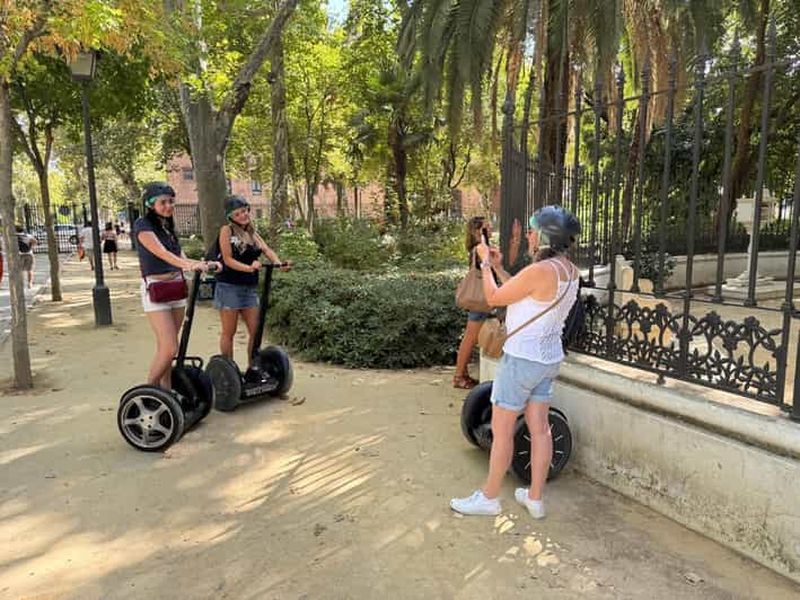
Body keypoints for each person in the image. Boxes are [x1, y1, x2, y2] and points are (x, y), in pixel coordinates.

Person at [450, 205, 581, 520]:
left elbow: (495, 298)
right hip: (548, 360)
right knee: (540, 429)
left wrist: (484, 264)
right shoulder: (568, 271)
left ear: (548, 236)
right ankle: (535, 498)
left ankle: (489, 497)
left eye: (534, 231)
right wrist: (498, 269)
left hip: (522, 360)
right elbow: (526, 293)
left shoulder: (540, 270)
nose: (529, 236)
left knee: (502, 429)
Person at [134, 182, 219, 390]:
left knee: (169, 346)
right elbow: (163, 254)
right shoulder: (142, 225)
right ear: (150, 204)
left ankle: (168, 390)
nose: (168, 206)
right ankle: (150, 391)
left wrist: (202, 265)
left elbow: (179, 255)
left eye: (171, 201)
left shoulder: (168, 227)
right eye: (163, 202)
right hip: (156, 289)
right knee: (170, 347)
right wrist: (191, 264)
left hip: (176, 288)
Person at [214, 195, 290, 365]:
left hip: (248, 288)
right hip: (229, 286)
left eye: (244, 211)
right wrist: (248, 268)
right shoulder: (227, 231)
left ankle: (253, 367)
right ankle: (229, 370)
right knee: (229, 331)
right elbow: (227, 259)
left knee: (255, 331)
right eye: (237, 214)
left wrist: (279, 264)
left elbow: (266, 250)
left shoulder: (251, 232)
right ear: (231, 217)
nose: (243, 215)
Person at [453, 216, 499, 389]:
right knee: (470, 338)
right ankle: (458, 376)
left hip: (481, 299)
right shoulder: (480, 250)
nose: (491, 228)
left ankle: (462, 373)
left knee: (469, 338)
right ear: (477, 230)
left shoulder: (477, 249)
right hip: (482, 299)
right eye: (486, 227)